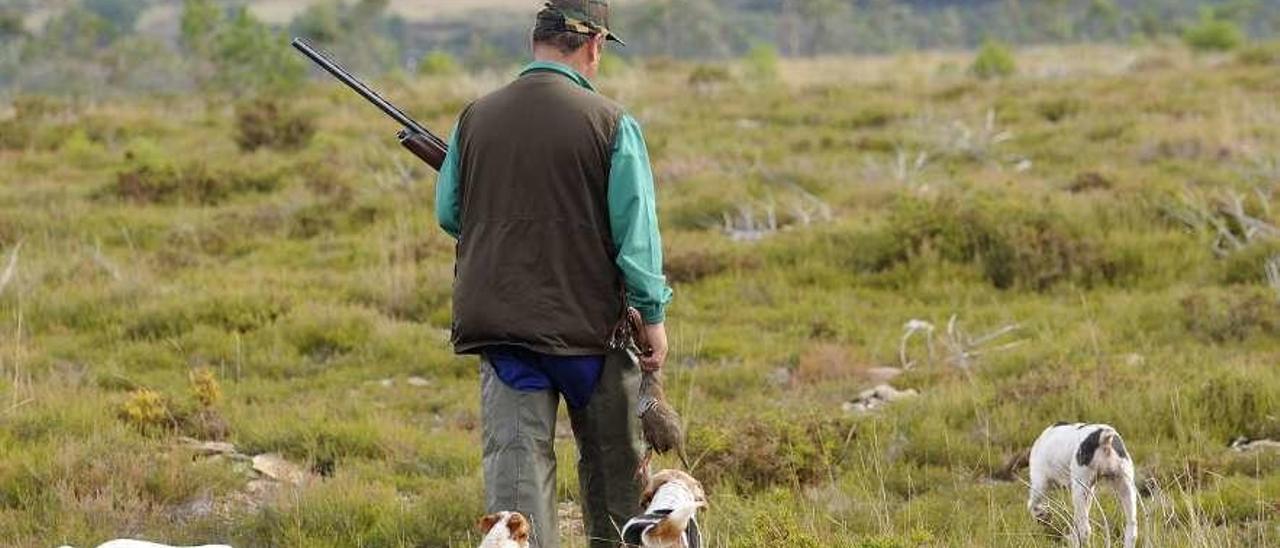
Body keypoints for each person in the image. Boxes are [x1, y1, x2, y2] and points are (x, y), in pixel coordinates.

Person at [433, 1, 673, 546]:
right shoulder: (613, 124)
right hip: (593, 335)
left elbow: (451, 215)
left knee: (515, 486)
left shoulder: (475, 117)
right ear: (593, 46)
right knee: (615, 481)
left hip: (506, 331)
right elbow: (637, 239)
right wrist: (652, 318)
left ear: (534, 41)